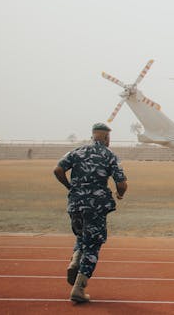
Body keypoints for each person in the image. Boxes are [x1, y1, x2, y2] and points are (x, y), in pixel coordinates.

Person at [53, 122, 127, 303]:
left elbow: (58, 169)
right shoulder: (110, 156)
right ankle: (79, 288)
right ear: (106, 137)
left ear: (93, 135)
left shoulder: (77, 152)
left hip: (75, 204)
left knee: (81, 235)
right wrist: (119, 194)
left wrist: (70, 187)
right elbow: (122, 183)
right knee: (93, 244)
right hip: (96, 206)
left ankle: (75, 259)